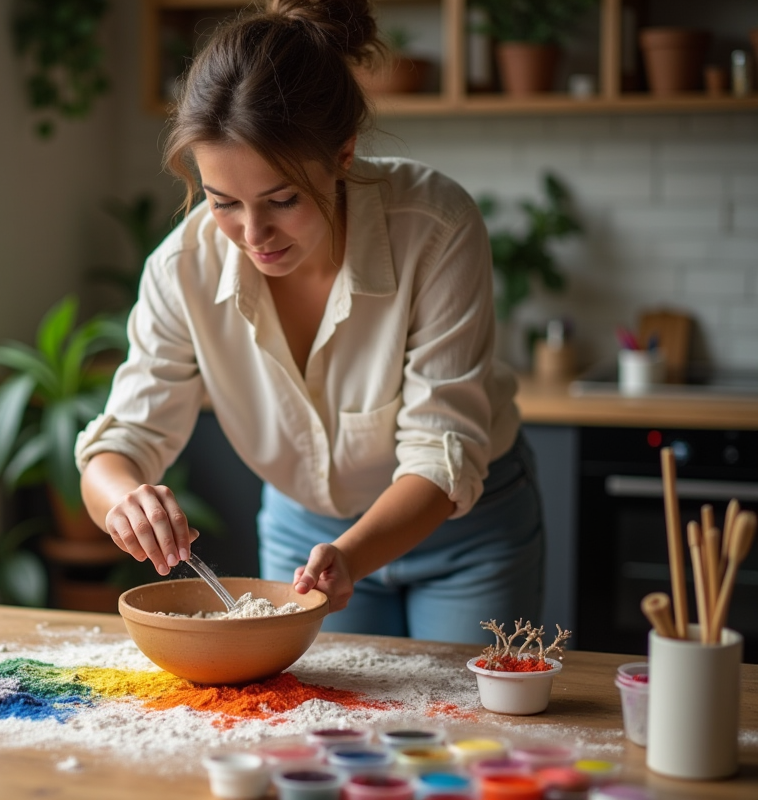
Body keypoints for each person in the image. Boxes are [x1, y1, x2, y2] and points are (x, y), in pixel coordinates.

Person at [75, 0, 544, 644]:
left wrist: (352, 555)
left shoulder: (435, 226)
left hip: (465, 531)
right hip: (304, 535)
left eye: (283, 199)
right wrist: (125, 499)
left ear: (343, 154)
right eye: (223, 202)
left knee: (468, 709)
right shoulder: (182, 268)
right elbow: (121, 442)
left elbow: (441, 455)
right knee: (314, 711)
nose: (254, 234)